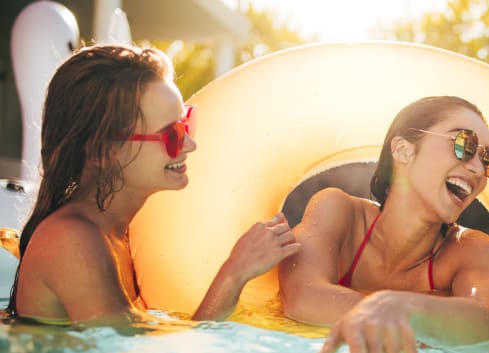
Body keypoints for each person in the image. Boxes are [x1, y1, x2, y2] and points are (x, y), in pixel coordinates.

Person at [6, 44, 300, 325]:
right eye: (171, 135)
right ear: (104, 152)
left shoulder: (118, 231)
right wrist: (235, 273)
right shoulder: (71, 241)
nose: (190, 144)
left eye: (186, 123)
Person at [279, 96, 489, 353]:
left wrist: (403, 307)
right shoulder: (339, 212)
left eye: (487, 159)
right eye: (465, 145)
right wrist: (396, 310)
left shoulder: (470, 250)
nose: (478, 169)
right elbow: (301, 296)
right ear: (403, 150)